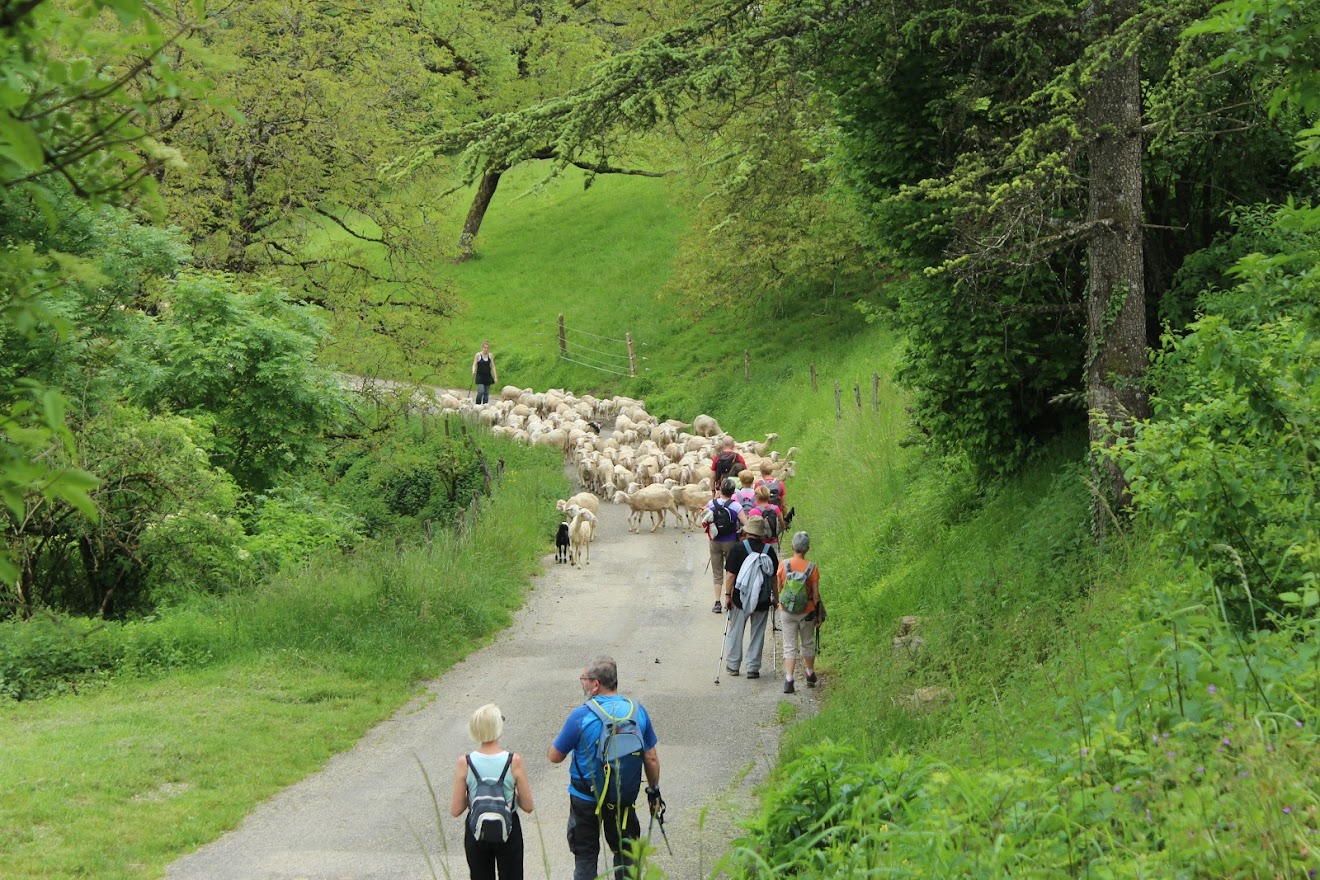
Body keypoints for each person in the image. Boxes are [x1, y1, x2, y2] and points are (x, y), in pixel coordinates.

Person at [549, 657, 661, 880]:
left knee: (586, 858)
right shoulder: (637, 711)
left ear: (596, 684)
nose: (582, 683)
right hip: (622, 799)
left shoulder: (581, 716)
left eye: (584, 679)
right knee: (626, 857)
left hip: (585, 798)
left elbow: (554, 756)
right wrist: (653, 791)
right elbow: (651, 758)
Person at [450, 703, 535, 880]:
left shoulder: (465, 762)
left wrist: (474, 795)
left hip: (476, 830)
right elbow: (528, 806)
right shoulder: (514, 761)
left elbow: (456, 809)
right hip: (509, 828)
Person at [722, 515, 780, 679]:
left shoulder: (738, 549)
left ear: (747, 531)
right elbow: (774, 578)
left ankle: (733, 665)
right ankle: (753, 667)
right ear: (762, 534)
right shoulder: (769, 551)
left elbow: (730, 576)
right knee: (758, 633)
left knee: (736, 631)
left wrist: (727, 595)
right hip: (762, 600)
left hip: (740, 599)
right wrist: (775, 598)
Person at [776, 531, 822, 694]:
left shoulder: (783, 564)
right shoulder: (812, 568)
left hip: (787, 611)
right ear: (807, 549)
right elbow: (815, 596)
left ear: (792, 547)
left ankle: (789, 679)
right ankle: (809, 673)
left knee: (789, 645)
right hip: (807, 611)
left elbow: (780, 590)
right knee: (807, 643)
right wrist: (818, 613)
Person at [702, 478, 743, 613]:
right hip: (730, 540)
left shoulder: (711, 503)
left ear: (720, 490)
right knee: (731, 570)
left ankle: (717, 602)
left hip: (715, 540)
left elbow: (704, 516)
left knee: (717, 571)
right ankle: (729, 598)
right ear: (733, 491)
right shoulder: (736, 506)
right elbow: (746, 523)